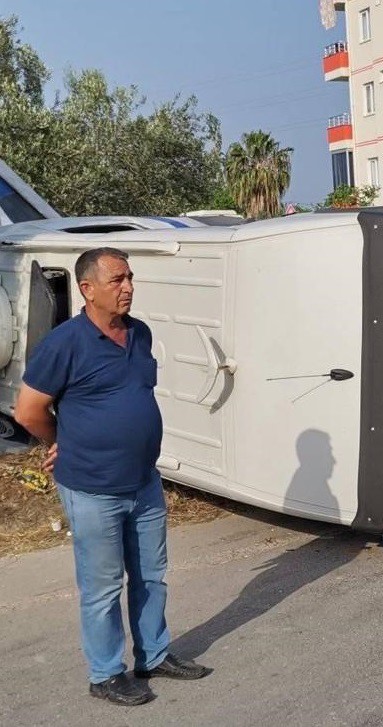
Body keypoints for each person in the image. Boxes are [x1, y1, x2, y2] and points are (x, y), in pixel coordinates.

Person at [14, 247, 211, 706]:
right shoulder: (65, 342)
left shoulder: (139, 334)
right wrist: (58, 442)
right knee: (103, 587)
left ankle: (154, 655)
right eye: (117, 280)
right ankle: (105, 674)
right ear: (87, 289)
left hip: (143, 480)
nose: (128, 287)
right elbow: (28, 411)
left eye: (130, 278)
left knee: (152, 576)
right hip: (92, 487)